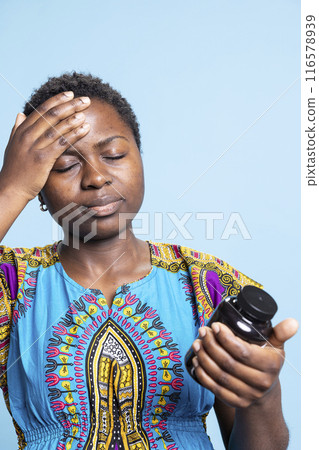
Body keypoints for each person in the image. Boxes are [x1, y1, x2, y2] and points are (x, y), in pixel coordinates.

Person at [0, 72, 298, 450]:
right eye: (64, 166)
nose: (95, 177)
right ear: (37, 184)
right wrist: (10, 187)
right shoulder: (12, 286)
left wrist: (263, 399)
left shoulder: (209, 285)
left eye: (113, 155)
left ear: (140, 157)